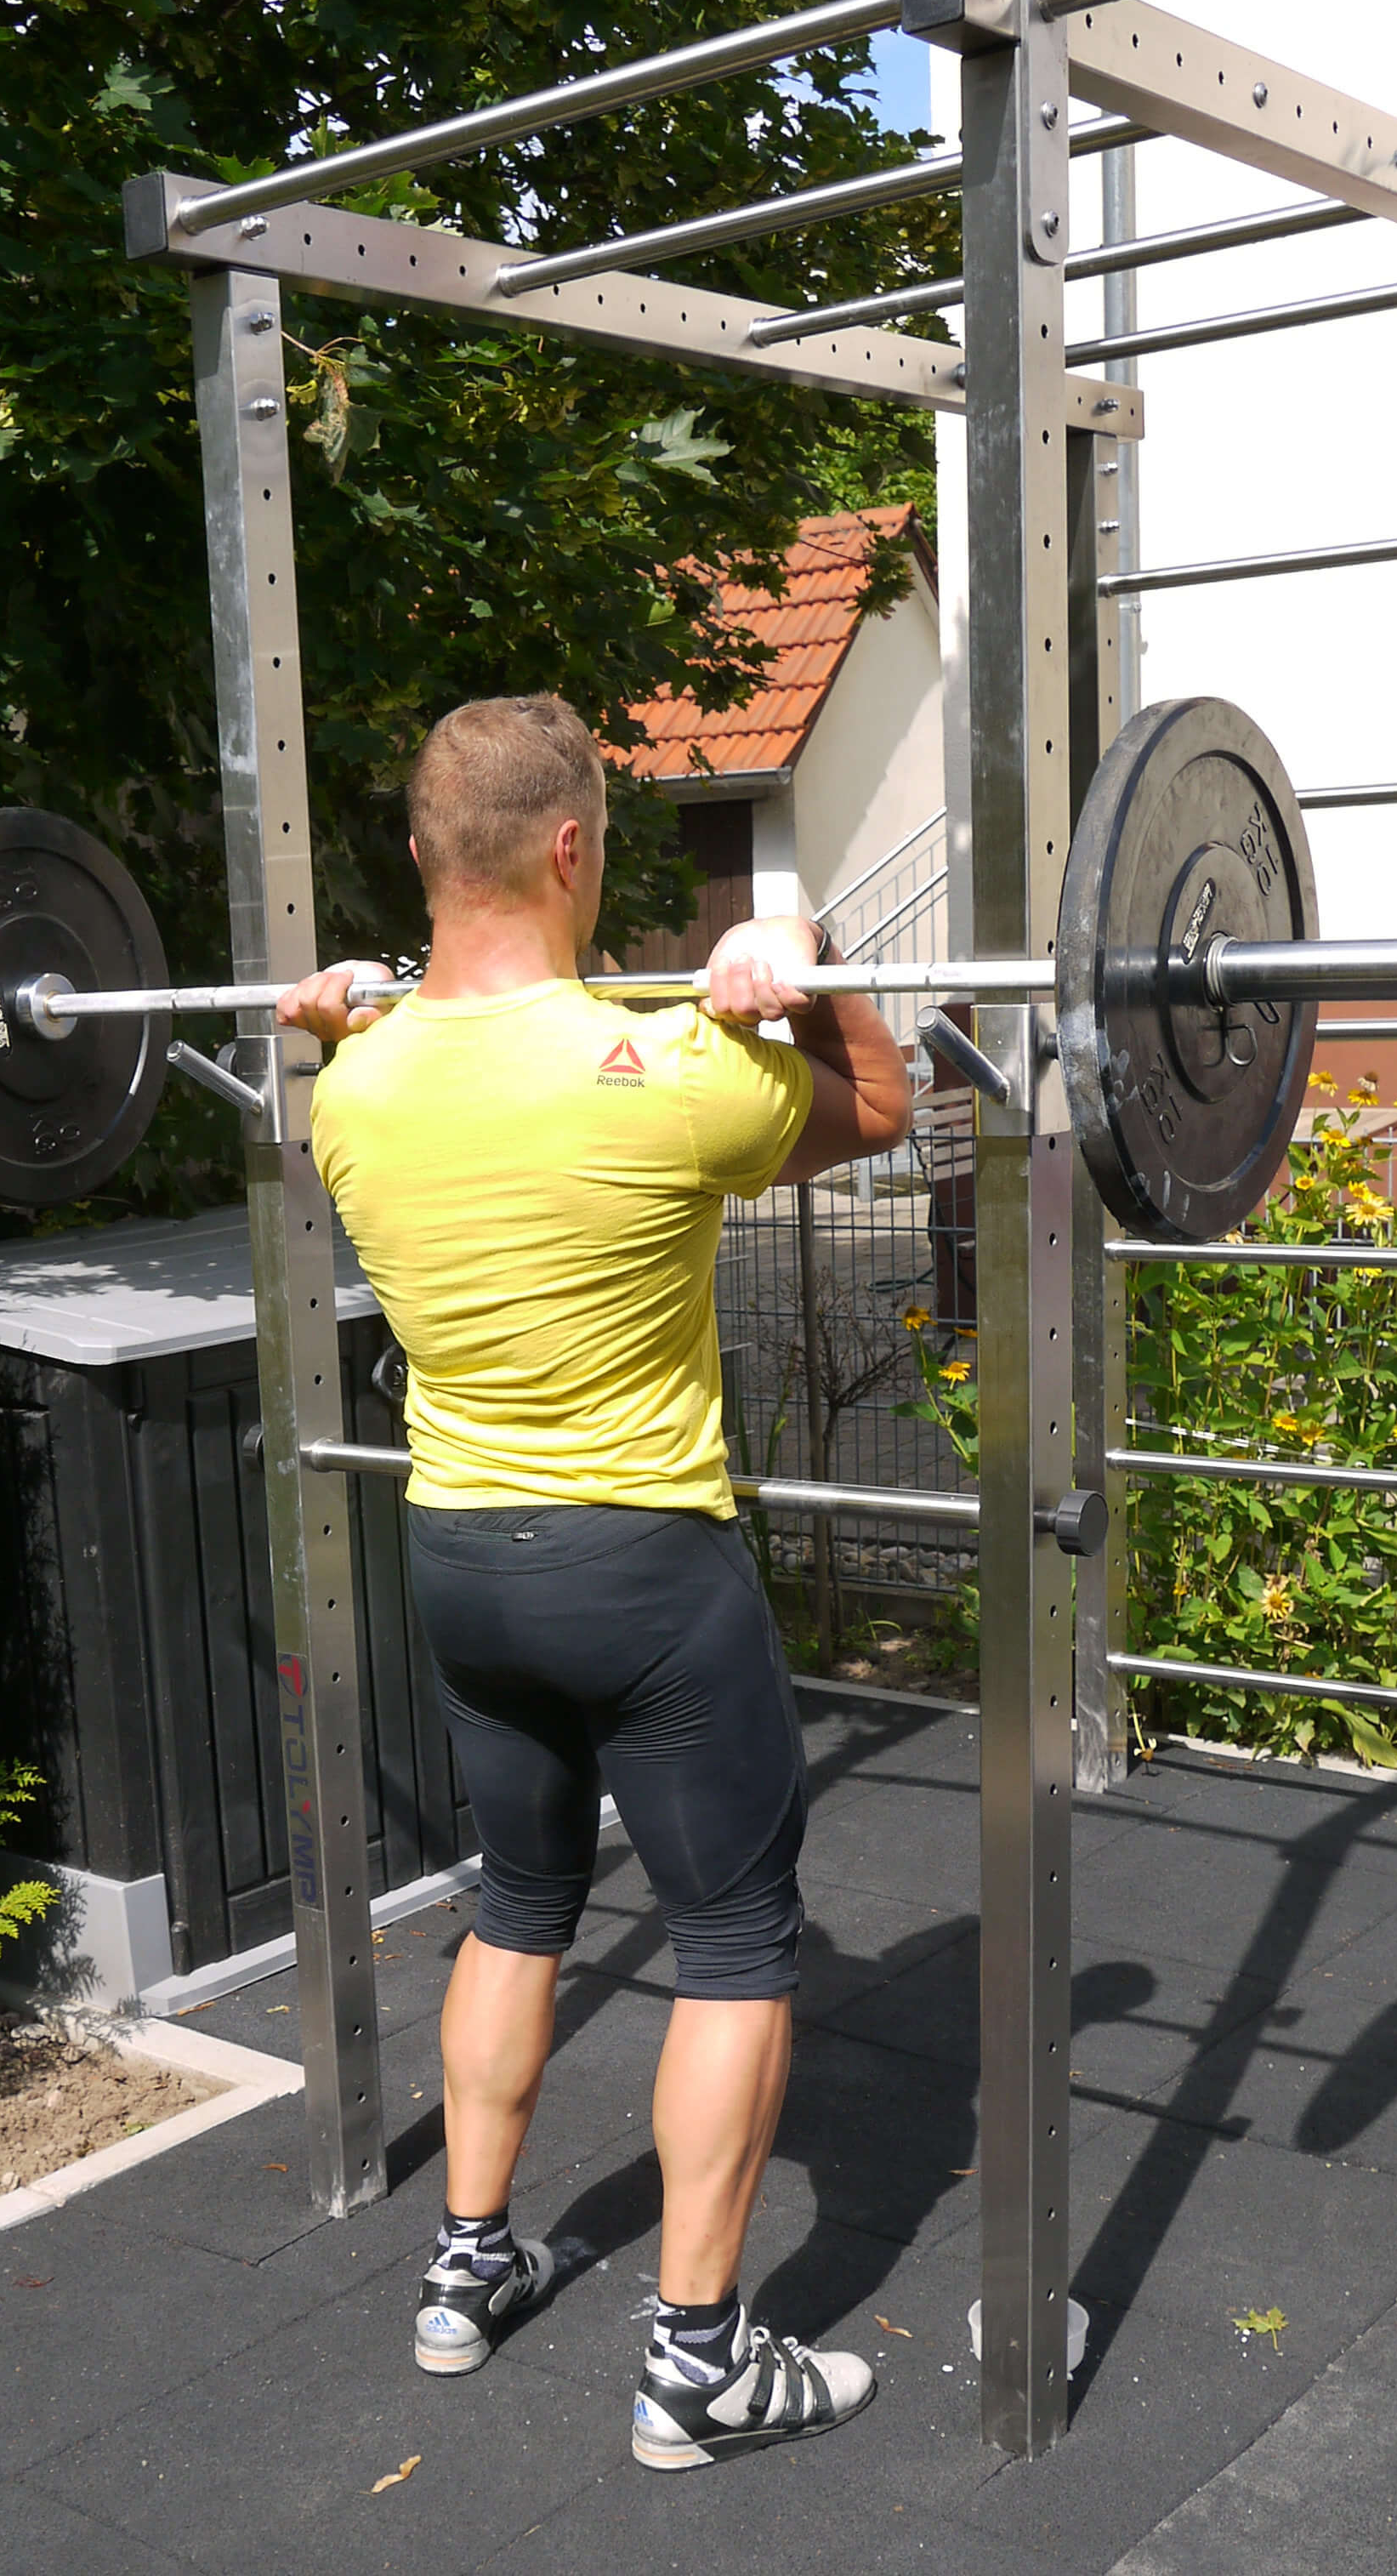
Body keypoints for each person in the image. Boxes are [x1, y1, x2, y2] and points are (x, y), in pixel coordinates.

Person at [279, 692, 914, 2471]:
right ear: (574, 851)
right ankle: (700, 2363)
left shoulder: (356, 1080)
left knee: (520, 1899)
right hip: (643, 1571)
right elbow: (884, 1096)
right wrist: (797, 949)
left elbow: (377, 1035)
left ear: (422, 859)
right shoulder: (677, 1081)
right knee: (732, 1942)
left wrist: (343, 1010)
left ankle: (466, 2270)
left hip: (463, 1566)